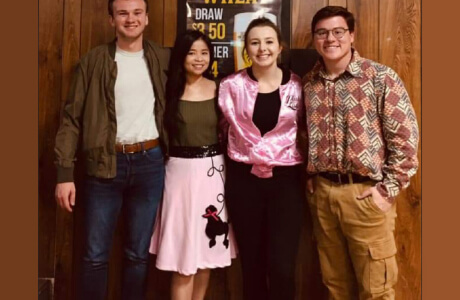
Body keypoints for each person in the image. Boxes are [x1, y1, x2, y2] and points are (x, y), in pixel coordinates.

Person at [53, 0, 170, 299]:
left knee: (137, 255)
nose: (130, 19)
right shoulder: (93, 61)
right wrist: (64, 173)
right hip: (104, 165)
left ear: (146, 18)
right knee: (94, 256)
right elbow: (71, 118)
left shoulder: (163, 58)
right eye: (122, 13)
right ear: (111, 20)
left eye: (136, 13)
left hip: (150, 164)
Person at [303, 6, 419, 300]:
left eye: (338, 31)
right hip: (323, 197)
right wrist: (311, 176)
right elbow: (302, 136)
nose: (331, 38)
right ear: (315, 38)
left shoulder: (379, 78)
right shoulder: (309, 84)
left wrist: (387, 191)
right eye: (322, 33)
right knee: (335, 286)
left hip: (365, 197)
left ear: (351, 35)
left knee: (376, 289)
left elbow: (405, 141)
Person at [218, 17, 305, 300]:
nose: (262, 48)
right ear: (247, 48)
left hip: (286, 183)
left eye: (269, 42)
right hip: (244, 182)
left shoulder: (298, 86)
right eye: (254, 42)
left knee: (282, 266)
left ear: (280, 47)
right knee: (252, 265)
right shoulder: (230, 86)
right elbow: (219, 129)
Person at [149, 30, 236, 300]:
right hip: (179, 174)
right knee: (184, 256)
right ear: (181, 56)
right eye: (191, 52)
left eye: (204, 53)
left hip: (214, 174)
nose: (199, 59)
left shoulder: (222, 88)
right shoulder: (167, 90)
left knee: (206, 254)